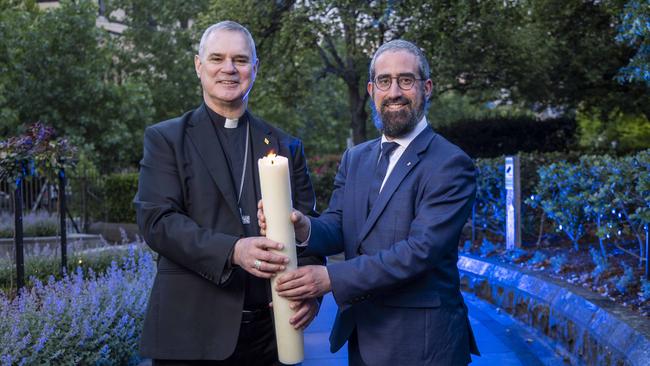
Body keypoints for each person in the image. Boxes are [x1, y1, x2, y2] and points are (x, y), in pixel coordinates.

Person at [260, 39, 480, 365]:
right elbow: (338, 224)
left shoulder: (450, 164)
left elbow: (419, 251)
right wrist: (301, 226)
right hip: (362, 337)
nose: (394, 92)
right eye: (384, 81)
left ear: (427, 88)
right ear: (371, 89)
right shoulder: (356, 158)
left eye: (406, 80)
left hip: (424, 345)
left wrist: (331, 279)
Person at [134, 21, 323, 366]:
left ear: (255, 67)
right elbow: (157, 222)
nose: (229, 69)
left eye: (240, 59)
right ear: (198, 65)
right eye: (217, 58)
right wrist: (233, 251)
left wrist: (310, 293)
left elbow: (311, 231)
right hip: (190, 335)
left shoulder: (285, 145)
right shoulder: (166, 139)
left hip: (270, 336)